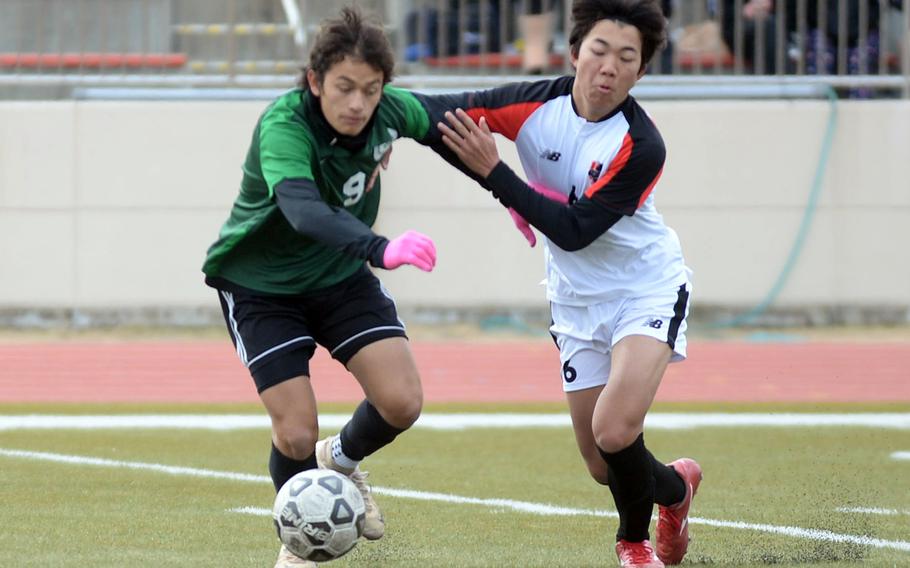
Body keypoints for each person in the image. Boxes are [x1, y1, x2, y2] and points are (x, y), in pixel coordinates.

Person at [428, 0, 703, 565]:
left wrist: (498, 177)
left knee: (615, 427)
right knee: (604, 464)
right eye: (599, 51)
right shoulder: (536, 104)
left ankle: (633, 544)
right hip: (575, 300)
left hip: (644, 288)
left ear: (641, 72)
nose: (608, 66)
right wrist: (378, 133)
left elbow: (576, 231)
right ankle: (675, 490)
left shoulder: (642, 144)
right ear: (574, 52)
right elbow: (442, 116)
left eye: (627, 58)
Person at [201, 8, 443, 567]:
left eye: (371, 89)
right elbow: (304, 210)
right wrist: (381, 247)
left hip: (337, 276)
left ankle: (341, 458)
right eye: (344, 87)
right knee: (294, 432)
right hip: (261, 285)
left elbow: (470, 111)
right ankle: (300, 548)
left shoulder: (389, 112)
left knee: (402, 402)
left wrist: (512, 195)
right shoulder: (285, 123)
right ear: (315, 81)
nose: (359, 102)